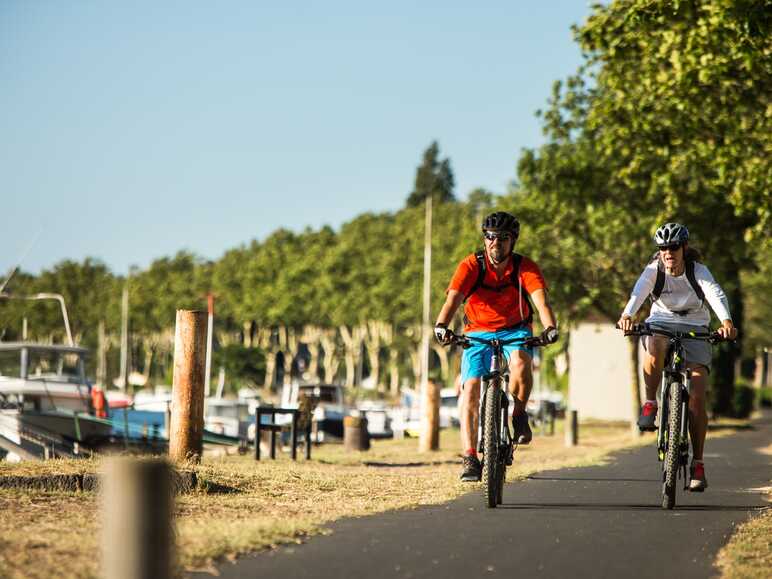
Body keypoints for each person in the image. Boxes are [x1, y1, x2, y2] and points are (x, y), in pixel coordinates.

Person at [434, 211, 558, 482]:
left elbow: (541, 303)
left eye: (502, 238)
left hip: (516, 329)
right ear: (485, 239)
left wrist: (550, 328)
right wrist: (441, 325)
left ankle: (519, 413)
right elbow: (452, 300)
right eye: (490, 237)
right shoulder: (471, 266)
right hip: (476, 332)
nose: (495, 243)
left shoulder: (525, 267)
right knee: (471, 390)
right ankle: (469, 456)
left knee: (520, 364)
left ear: (512, 241)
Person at [617, 222, 737, 492]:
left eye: (673, 247)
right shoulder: (654, 271)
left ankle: (698, 464)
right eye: (663, 248)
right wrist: (627, 315)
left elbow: (715, 293)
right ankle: (651, 403)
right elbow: (638, 293)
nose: (668, 252)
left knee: (696, 396)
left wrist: (726, 322)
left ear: (684, 248)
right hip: (661, 322)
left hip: (695, 326)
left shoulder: (698, 271)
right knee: (655, 344)